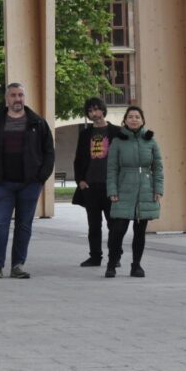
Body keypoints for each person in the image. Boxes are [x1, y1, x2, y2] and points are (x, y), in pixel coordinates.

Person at [0, 83, 55, 279]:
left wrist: (41, 177)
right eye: (13, 95)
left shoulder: (37, 122)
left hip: (29, 184)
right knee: (0, 224)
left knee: (24, 226)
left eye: (20, 95)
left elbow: (49, 152)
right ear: (7, 99)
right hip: (3, 184)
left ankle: (18, 266)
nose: (17, 99)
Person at [105, 106, 163, 278]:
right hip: (124, 189)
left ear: (142, 120)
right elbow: (112, 169)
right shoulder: (118, 141)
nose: (134, 119)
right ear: (125, 120)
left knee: (140, 232)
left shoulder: (151, 141)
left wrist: (158, 189)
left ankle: (136, 265)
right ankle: (111, 263)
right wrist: (112, 190)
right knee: (117, 231)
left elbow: (158, 168)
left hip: (145, 190)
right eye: (130, 116)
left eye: (137, 116)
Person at [72, 97, 122, 267]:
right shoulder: (85, 134)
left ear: (103, 110)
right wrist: (81, 181)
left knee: (114, 225)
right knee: (94, 226)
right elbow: (78, 160)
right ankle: (95, 257)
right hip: (91, 186)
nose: (94, 113)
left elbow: (123, 158)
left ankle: (115, 257)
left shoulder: (117, 132)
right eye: (91, 111)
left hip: (111, 186)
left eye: (97, 109)